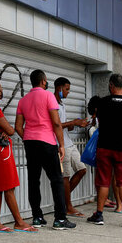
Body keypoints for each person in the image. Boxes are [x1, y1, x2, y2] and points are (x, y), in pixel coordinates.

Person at [15, 70, 75, 230]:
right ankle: (60, 219)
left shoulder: (23, 100)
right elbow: (56, 123)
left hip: (30, 143)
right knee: (56, 180)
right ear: (43, 82)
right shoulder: (48, 96)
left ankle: (37, 217)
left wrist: (27, 136)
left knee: (33, 181)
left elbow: (18, 127)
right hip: (47, 142)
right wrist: (61, 145)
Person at [0, 80, 36, 232]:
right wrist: (8, 130)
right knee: (9, 187)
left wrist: (6, 130)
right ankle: (19, 221)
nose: (2, 90)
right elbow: (10, 130)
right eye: (1, 88)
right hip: (2, 152)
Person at [86, 74, 122, 228]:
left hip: (104, 147)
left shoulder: (102, 102)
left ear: (110, 85)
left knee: (103, 182)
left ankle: (99, 215)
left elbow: (100, 122)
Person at [54, 77, 88, 217]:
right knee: (65, 176)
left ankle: (63, 200)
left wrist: (74, 124)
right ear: (59, 88)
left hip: (69, 142)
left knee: (82, 170)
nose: (68, 92)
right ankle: (68, 206)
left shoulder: (61, 104)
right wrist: (72, 122)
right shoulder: (52, 103)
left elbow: (62, 125)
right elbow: (55, 125)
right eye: (66, 89)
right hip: (60, 144)